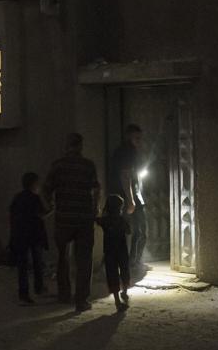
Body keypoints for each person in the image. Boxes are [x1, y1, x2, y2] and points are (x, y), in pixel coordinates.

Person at [44, 133, 101, 312]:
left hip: (63, 219)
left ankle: (64, 294)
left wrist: (51, 205)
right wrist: (94, 210)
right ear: (80, 146)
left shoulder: (57, 166)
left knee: (62, 257)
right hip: (83, 219)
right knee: (83, 259)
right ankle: (81, 300)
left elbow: (46, 189)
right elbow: (96, 189)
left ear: (66, 146)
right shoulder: (88, 166)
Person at [109, 124, 147, 266]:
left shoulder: (127, 152)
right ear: (128, 137)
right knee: (139, 231)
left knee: (132, 231)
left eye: (140, 138)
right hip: (129, 197)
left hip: (126, 197)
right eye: (136, 138)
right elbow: (125, 176)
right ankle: (132, 263)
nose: (139, 141)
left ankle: (129, 262)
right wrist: (131, 200)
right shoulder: (127, 152)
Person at [9, 172, 49, 304]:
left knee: (23, 265)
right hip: (34, 235)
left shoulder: (17, 198)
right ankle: (39, 288)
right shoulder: (34, 198)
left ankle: (23, 292)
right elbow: (41, 214)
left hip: (20, 235)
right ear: (34, 184)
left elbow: (12, 214)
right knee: (37, 262)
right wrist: (52, 210)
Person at [96, 193, 131, 312]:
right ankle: (124, 292)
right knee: (125, 270)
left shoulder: (104, 220)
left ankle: (117, 301)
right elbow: (129, 231)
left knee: (112, 274)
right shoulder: (122, 220)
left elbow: (97, 219)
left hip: (109, 251)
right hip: (122, 250)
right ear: (120, 208)